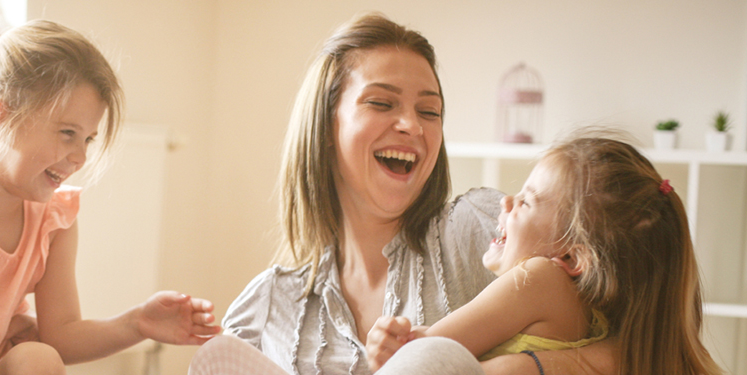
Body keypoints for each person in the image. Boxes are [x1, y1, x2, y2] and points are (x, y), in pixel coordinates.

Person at [219, 13, 617, 374]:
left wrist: (521, 367)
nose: (412, 125)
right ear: (324, 128)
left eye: (429, 111)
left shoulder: (481, 228)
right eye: (381, 102)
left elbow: (648, 343)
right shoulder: (267, 305)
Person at [0, 20, 221, 375]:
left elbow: (61, 335)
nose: (80, 156)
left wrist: (137, 324)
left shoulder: (54, 220)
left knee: (40, 358)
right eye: (68, 133)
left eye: (88, 139)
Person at [368, 135, 723, 374]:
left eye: (526, 201)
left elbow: (427, 351)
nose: (505, 202)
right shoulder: (597, 325)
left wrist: (392, 343)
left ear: (571, 259)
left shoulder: (539, 277)